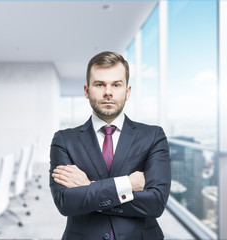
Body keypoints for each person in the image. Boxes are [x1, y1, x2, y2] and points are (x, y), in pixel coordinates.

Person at [49, 51, 171, 240]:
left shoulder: (153, 136)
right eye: (100, 84)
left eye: (116, 84)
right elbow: (66, 202)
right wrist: (127, 184)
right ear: (87, 91)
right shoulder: (64, 140)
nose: (108, 92)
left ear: (127, 91)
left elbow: (155, 203)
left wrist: (89, 187)